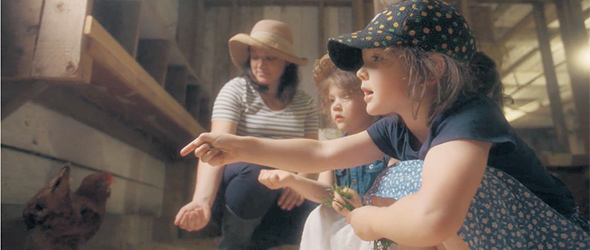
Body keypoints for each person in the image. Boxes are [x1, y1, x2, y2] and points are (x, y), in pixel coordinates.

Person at [180, 0, 590, 249]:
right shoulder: (399, 126)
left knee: (413, 183)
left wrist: (369, 220)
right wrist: (239, 146)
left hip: (549, 238)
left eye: (375, 60)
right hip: (484, 234)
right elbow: (322, 151)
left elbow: (435, 219)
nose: (360, 74)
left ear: (428, 70)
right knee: (400, 186)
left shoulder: (469, 117)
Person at [173, 19, 320, 250]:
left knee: (319, 201)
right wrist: (201, 200)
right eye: (255, 57)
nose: (260, 64)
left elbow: (314, 153)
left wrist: (299, 181)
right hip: (242, 188)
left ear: (287, 63)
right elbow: (216, 149)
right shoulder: (236, 90)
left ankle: (262, 242)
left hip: (284, 191)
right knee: (256, 171)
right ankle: (234, 243)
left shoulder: (305, 103)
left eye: (269, 57)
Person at [257, 54, 395, 250]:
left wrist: (364, 206)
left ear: (367, 94)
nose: (336, 105)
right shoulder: (334, 148)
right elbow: (325, 193)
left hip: (379, 222)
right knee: (318, 215)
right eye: (331, 100)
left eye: (346, 96)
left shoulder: (388, 140)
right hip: (347, 221)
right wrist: (291, 180)